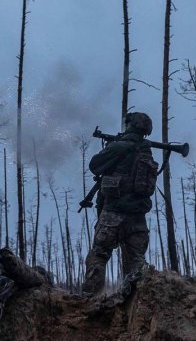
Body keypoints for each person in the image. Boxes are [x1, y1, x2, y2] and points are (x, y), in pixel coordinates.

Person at [81, 112, 159, 296]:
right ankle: (139, 302)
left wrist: (111, 147)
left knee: (99, 255)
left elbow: (95, 165)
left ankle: (88, 302)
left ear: (130, 126)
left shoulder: (120, 147)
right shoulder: (146, 152)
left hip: (113, 214)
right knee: (136, 262)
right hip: (138, 218)